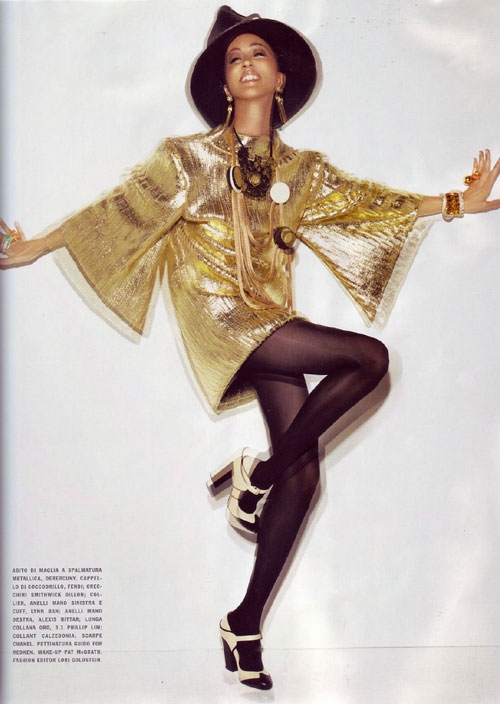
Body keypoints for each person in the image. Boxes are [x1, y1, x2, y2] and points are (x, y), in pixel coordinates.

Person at [1, 5, 499, 692]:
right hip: (218, 317)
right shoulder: (187, 159)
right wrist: (36, 245)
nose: (247, 65)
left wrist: (456, 203)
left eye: (258, 53)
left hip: (273, 320)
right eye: (234, 59)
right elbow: (117, 210)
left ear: (280, 77)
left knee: (307, 476)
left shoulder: (302, 169)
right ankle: (257, 476)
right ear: (224, 85)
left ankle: (244, 619)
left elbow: (367, 204)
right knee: (369, 359)